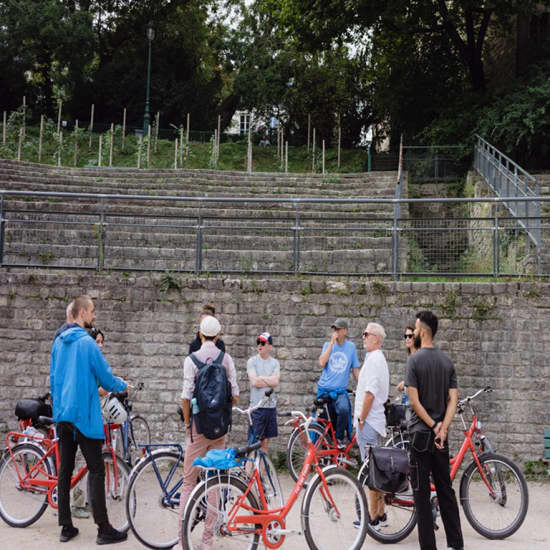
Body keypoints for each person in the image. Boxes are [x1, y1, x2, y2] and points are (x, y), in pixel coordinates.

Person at [50, 295, 128, 544]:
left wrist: (58, 409)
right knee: (96, 470)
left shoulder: (58, 342)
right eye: (92, 311)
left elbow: (53, 380)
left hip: (64, 415)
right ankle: (103, 529)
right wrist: (122, 384)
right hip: (84, 416)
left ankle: (65, 526)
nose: (94, 316)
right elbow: (106, 378)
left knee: (65, 470)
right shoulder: (87, 344)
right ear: (82, 312)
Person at [178, 315, 239, 548]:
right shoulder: (227, 360)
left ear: (200, 334)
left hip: (197, 427)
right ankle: (207, 540)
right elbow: (234, 396)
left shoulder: (191, 360)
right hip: (219, 429)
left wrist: (187, 425)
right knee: (214, 481)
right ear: (219, 335)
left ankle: (181, 537)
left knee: (188, 483)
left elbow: (185, 397)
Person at [406, 311, 464, 550]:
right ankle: (456, 544)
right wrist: (443, 427)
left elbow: (414, 401)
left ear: (423, 331)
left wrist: (432, 425)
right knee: (445, 489)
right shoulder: (446, 361)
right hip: (441, 438)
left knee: (421, 494)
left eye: (416, 328)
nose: (415, 331)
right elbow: (453, 399)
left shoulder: (414, 361)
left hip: (421, 434)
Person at [354, 322, 389, 531]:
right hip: (369, 421)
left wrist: (361, 419)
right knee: (374, 470)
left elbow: (370, 393)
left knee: (370, 473)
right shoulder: (374, 359)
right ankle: (381, 514)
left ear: (376, 338)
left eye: (366, 334)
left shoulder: (375, 360)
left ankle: (372, 518)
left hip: (368, 422)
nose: (363, 337)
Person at [317, 318, 360, 447]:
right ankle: (325, 452)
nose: (335, 331)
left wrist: (363, 385)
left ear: (344, 331)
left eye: (338, 329)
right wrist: (331, 344)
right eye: (334, 329)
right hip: (325, 389)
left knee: (344, 409)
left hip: (340, 391)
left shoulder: (351, 347)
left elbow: (355, 370)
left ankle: (340, 438)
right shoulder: (327, 345)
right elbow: (321, 363)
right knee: (324, 421)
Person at [247, 332, 280, 452]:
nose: (259, 345)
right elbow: (254, 382)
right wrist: (268, 380)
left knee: (265, 444)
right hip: (257, 407)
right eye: (258, 343)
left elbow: (276, 381)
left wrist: (261, 378)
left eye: (262, 343)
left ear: (270, 346)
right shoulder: (252, 361)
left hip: (270, 406)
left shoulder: (275, 363)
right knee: (254, 444)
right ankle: (250, 470)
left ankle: (263, 470)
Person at [396, 324, 420, 404]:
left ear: (415, 337)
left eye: (410, 336)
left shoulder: (419, 356)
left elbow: (420, 378)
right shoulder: (410, 356)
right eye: (405, 336)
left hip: (415, 399)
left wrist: (405, 383)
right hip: (408, 397)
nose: (407, 339)